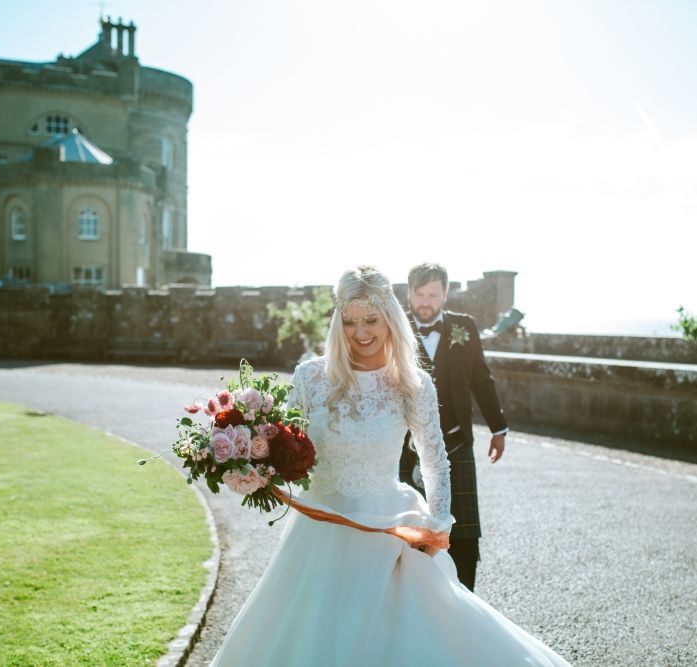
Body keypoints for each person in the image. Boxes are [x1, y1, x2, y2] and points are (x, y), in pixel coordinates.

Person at [210, 266, 570, 666]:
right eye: (349, 321)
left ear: (389, 317)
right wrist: (249, 464)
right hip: (319, 529)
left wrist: (438, 523)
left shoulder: (412, 384)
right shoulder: (310, 377)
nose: (360, 332)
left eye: (370, 320)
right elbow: (282, 444)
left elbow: (435, 460)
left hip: (387, 530)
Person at [399, 262, 507, 591]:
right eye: (419, 295)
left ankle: (464, 601)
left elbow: (481, 378)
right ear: (410, 294)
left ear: (445, 294)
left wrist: (498, 428)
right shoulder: (394, 327)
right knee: (409, 532)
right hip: (405, 448)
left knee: (464, 531)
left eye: (433, 294)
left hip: (455, 444)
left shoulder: (465, 327)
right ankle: (413, 603)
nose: (426, 302)